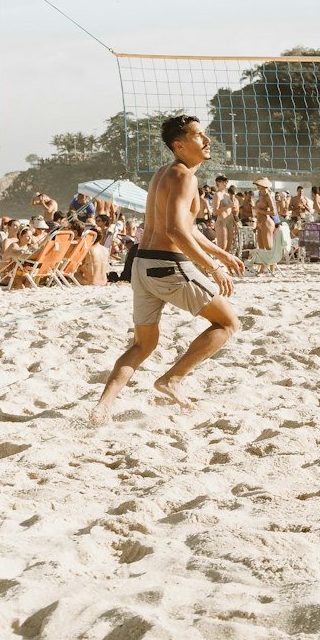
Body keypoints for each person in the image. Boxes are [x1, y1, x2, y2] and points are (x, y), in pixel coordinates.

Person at [89, 116, 243, 425]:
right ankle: (172, 380)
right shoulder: (185, 177)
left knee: (143, 344)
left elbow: (185, 228)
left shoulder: (163, 174)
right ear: (180, 145)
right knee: (227, 324)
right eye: (200, 136)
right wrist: (213, 267)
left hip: (142, 265)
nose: (207, 140)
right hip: (167, 266)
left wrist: (220, 253)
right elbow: (174, 230)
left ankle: (102, 407)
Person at [213, 176, 237, 254]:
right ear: (218, 182)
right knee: (222, 249)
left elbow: (230, 211)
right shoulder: (217, 195)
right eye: (223, 181)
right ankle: (219, 265)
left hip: (229, 222)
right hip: (221, 222)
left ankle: (225, 265)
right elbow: (215, 212)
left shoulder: (226, 195)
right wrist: (227, 206)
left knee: (228, 248)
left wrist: (234, 223)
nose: (225, 183)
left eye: (226, 182)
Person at [254, 178, 277, 251]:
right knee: (261, 248)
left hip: (266, 222)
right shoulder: (260, 195)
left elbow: (273, 212)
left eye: (259, 184)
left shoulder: (268, 196)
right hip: (260, 222)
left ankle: (272, 262)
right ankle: (264, 262)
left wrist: (259, 210)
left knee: (268, 247)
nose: (257, 186)